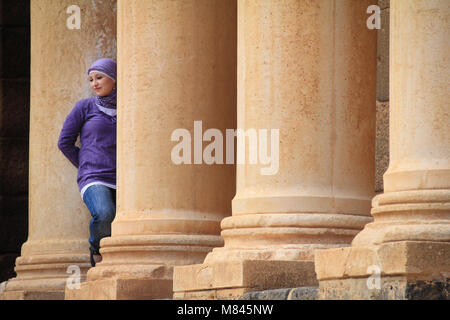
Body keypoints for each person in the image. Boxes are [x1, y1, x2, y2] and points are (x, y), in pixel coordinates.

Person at [58, 58, 117, 267]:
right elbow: (64, 142)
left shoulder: (128, 108)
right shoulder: (85, 107)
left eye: (99, 77)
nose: (94, 84)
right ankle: (96, 250)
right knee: (104, 213)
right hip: (94, 177)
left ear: (115, 79)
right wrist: (85, 163)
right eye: (91, 79)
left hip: (122, 178)